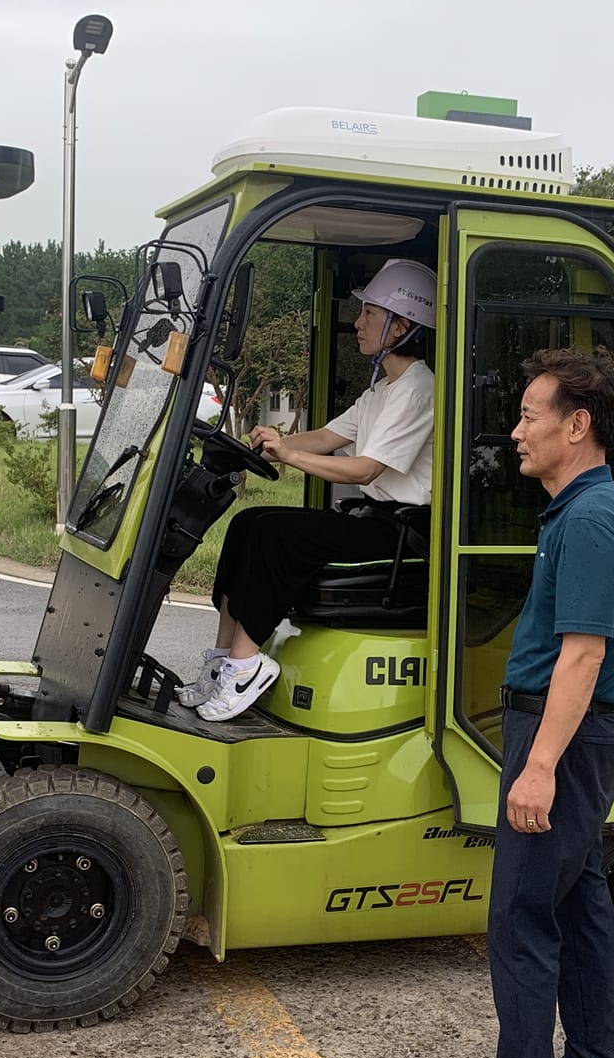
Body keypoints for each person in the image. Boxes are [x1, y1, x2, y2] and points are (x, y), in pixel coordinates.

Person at [435, 348, 614, 1058]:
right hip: (578, 735)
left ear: (578, 424)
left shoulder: (595, 520)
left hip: (562, 736)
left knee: (521, 914)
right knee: (577, 904)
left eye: (531, 415)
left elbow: (583, 656)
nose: (517, 430)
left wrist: (537, 766)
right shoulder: (588, 509)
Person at [180, 258, 437, 721]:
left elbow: (364, 469)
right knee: (247, 523)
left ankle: (246, 664)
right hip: (375, 520)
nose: (357, 324)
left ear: (402, 326)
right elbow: (326, 437)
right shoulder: (383, 388)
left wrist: (291, 456)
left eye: (369, 315)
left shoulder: (418, 388)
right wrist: (261, 445)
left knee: (278, 536)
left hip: (403, 532)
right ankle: (222, 662)